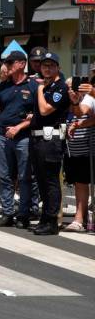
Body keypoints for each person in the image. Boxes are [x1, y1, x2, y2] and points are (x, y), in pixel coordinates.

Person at [0, 50, 34, 227]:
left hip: (23, 137)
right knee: (5, 176)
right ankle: (7, 213)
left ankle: (23, 214)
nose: (7, 66)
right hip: (1, 136)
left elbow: (36, 114)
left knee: (24, 177)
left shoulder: (33, 86)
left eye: (11, 62)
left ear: (22, 64)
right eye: (6, 62)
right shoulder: (2, 86)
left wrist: (18, 127)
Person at [27, 52, 70, 235]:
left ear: (58, 68)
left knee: (51, 181)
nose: (47, 68)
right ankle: (45, 218)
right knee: (42, 181)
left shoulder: (59, 88)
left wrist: (38, 90)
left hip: (50, 140)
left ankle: (52, 221)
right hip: (38, 139)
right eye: (44, 65)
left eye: (51, 65)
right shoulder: (46, 87)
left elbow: (45, 111)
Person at [63, 77, 94, 232]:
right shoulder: (67, 100)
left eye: (74, 87)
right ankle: (79, 219)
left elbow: (83, 111)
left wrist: (75, 103)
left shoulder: (89, 98)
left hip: (90, 148)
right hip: (74, 150)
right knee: (80, 184)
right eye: (68, 87)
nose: (72, 90)